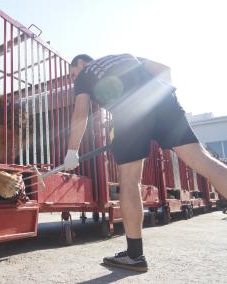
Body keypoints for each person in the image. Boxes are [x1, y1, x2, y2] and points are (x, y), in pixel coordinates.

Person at [65, 53, 227, 272]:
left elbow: (80, 114)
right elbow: (164, 69)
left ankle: (135, 256)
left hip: (129, 111)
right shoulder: (127, 55)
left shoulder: (85, 74)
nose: (74, 78)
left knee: (130, 181)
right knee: (203, 160)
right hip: (162, 100)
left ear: (81, 63)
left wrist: (72, 151)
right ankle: (133, 256)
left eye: (72, 73)